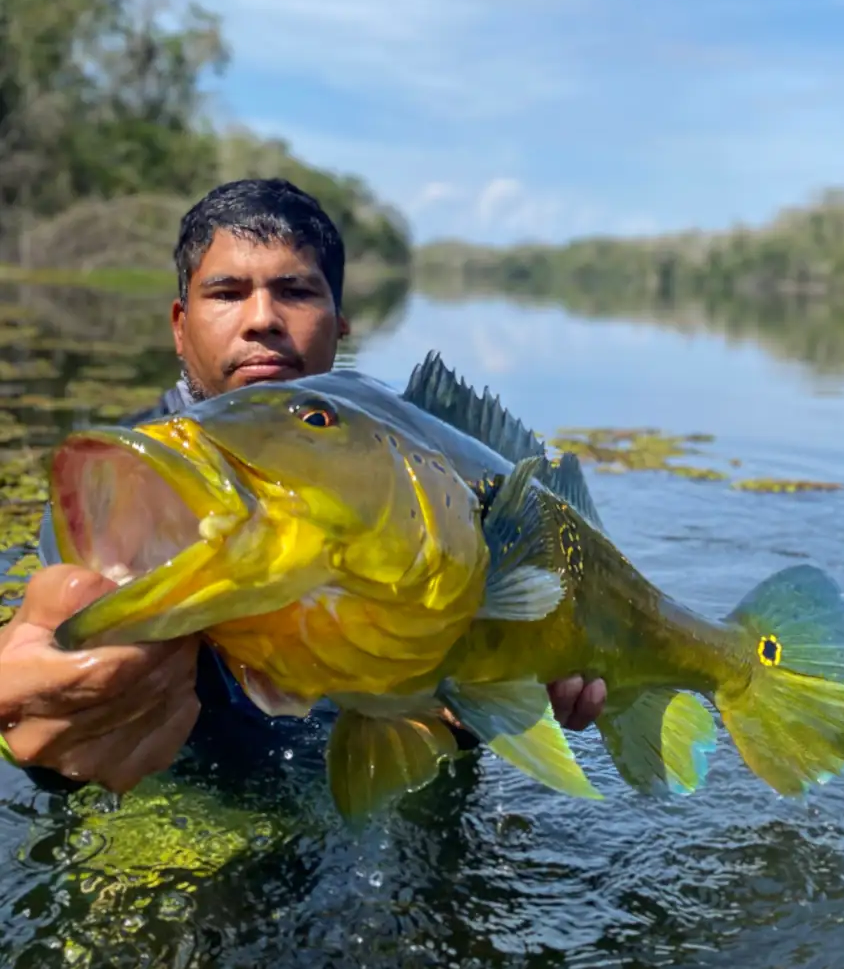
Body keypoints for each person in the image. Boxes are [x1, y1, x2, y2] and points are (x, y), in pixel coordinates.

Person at [0, 178, 607, 797]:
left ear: (340, 325)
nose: (262, 319)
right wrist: (47, 719)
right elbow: (55, 639)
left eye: (294, 291)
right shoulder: (127, 483)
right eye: (227, 292)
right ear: (180, 326)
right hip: (205, 792)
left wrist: (490, 691)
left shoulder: (401, 449)